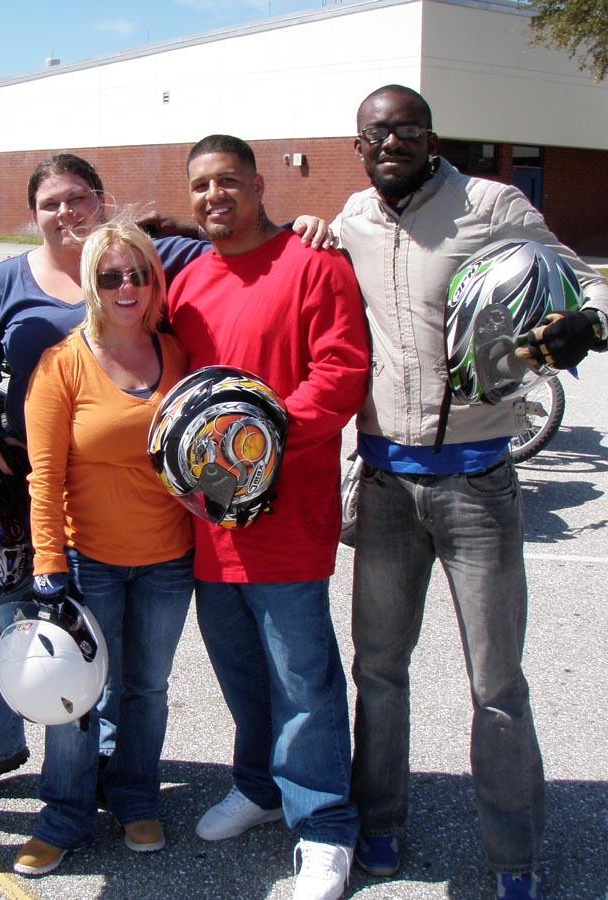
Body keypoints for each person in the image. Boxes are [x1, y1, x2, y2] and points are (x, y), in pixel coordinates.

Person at [0, 153, 333, 806]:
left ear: (101, 202)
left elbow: (234, 243)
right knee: (4, 626)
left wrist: (300, 227)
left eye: (78, 198)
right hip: (30, 480)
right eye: (50, 203)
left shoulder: (151, 265)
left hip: (146, 521)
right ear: (33, 214)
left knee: (130, 672)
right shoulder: (8, 282)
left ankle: (118, 775)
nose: (66, 212)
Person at [331, 84, 608, 900]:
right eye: (376, 133)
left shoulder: (491, 205)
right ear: (359, 146)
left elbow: (588, 284)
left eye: (407, 130)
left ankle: (514, 856)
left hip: (478, 488)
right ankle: (379, 824)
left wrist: (589, 325)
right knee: (378, 671)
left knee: (497, 686)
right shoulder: (352, 218)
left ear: (432, 138)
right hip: (386, 486)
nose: (391, 142)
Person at [165, 134, 370, 900]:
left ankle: (324, 826)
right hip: (209, 526)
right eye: (200, 186)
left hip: (287, 522)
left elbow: (341, 373)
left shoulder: (314, 264)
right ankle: (258, 786)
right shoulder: (187, 283)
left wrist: (258, 440)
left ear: (257, 186)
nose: (213, 196)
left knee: (302, 683)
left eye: (227, 181)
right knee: (242, 675)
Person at [12, 220, 196, 876]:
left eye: (139, 274)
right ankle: (63, 814)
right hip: (86, 562)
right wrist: (48, 564)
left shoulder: (176, 354)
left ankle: (135, 795)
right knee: (76, 694)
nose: (127, 287)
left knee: (146, 688)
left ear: (154, 281)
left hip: (168, 560)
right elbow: (43, 477)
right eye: (111, 275)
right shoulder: (61, 364)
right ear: (91, 283)